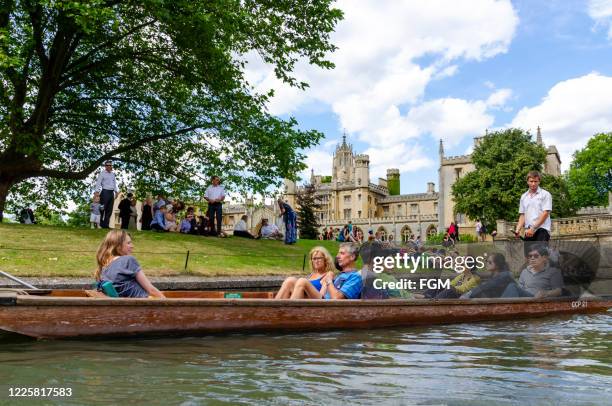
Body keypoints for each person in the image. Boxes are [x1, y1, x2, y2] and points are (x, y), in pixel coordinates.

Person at [95, 229, 164, 298]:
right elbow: (151, 290)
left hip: (126, 305)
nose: (132, 246)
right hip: (143, 304)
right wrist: (166, 300)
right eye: (128, 243)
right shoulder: (128, 260)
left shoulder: (105, 266)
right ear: (118, 246)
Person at [514, 170, 552, 241]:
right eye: (531, 181)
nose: (533, 184)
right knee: (528, 252)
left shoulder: (545, 194)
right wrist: (517, 229)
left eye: (535, 181)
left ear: (539, 182)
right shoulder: (523, 196)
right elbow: (522, 215)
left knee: (539, 252)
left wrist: (533, 228)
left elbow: (545, 213)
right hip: (528, 231)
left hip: (542, 230)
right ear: (527, 182)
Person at [95, 160, 119, 228]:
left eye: (110, 165)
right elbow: (98, 183)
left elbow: (114, 184)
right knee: (102, 208)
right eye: (107, 165)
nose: (109, 166)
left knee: (109, 210)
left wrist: (116, 191)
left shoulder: (113, 174)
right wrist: (97, 192)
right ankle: (99, 223)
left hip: (111, 193)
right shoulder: (102, 173)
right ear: (105, 166)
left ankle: (106, 225)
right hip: (105, 192)